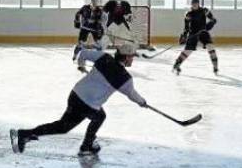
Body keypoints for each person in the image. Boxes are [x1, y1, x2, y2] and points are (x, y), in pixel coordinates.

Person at [10, 42, 146, 157]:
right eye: (132, 57)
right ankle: (86, 147)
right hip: (88, 105)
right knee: (99, 117)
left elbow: (83, 53)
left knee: (62, 126)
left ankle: (23, 134)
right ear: (126, 57)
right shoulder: (124, 77)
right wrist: (142, 102)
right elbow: (132, 94)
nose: (133, 59)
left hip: (75, 95)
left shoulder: (104, 57)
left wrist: (81, 65)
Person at [173, 0, 218, 75]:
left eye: (196, 3)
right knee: (188, 51)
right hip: (193, 33)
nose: (194, 5)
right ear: (191, 4)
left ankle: (215, 67)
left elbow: (213, 19)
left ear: (198, 3)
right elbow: (186, 27)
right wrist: (184, 35)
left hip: (203, 32)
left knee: (210, 47)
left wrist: (210, 24)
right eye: (193, 3)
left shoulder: (204, 11)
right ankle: (177, 65)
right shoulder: (188, 14)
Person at [73, 0, 105, 70]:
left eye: (96, 0)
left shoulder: (99, 11)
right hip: (84, 28)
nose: (94, 2)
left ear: (97, 1)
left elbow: (99, 22)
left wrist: (100, 29)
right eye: (93, 0)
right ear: (91, 0)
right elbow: (78, 13)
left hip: (94, 28)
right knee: (81, 43)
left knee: (98, 44)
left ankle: (99, 59)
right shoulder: (85, 7)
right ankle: (75, 55)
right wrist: (77, 21)